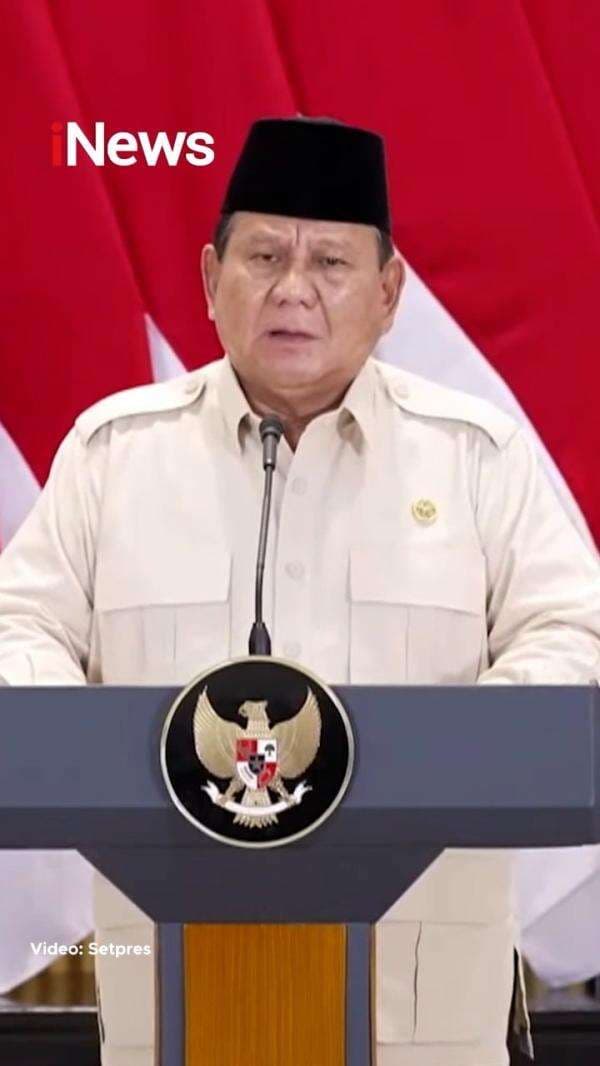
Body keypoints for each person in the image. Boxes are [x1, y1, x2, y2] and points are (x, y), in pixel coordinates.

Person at [0, 116, 599, 1066]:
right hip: (177, 1006)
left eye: (330, 263)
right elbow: (19, 625)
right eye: (265, 256)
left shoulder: (475, 456)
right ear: (211, 279)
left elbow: (573, 634)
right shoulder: (115, 454)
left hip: (427, 1016)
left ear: (388, 292)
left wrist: (444, 753)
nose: (293, 289)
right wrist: (91, 747)